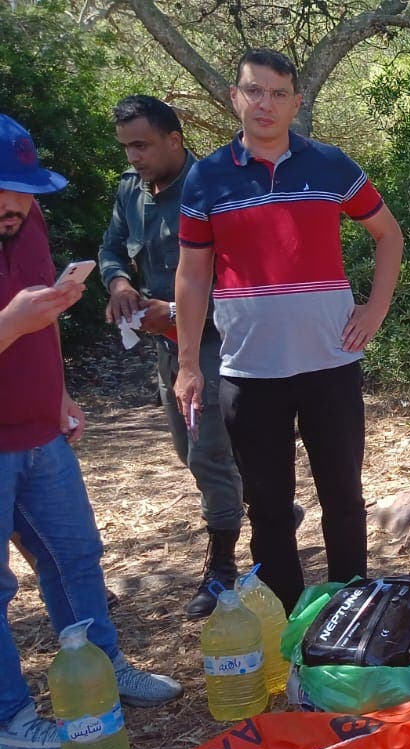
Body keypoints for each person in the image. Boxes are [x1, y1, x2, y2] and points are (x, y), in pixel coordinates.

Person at [172, 49, 405, 613]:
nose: (265, 104)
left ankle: (351, 608)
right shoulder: (206, 178)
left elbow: (388, 235)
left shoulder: (329, 164)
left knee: (343, 498)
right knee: (269, 506)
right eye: (254, 91)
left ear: (296, 103)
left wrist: (374, 309)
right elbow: (192, 271)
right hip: (250, 371)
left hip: (330, 361)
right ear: (235, 97)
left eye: (278, 93)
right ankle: (290, 621)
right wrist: (185, 364)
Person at [0, 114, 181, 749]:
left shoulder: (27, 221)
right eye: (3, 190)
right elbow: (19, 319)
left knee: (75, 557)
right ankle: (12, 717)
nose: (17, 204)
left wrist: (58, 389)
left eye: (25, 190)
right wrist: (11, 323)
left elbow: (40, 313)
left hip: (40, 432)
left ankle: (104, 667)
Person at [99, 95, 247, 618]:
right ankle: (274, 510)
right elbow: (113, 247)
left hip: (215, 343)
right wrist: (119, 283)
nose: (134, 156)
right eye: (127, 147)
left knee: (208, 453)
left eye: (142, 145)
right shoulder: (130, 195)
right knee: (189, 451)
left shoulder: (212, 188)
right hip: (165, 346)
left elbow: (240, 276)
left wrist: (180, 312)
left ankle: (222, 569)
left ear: (174, 141)